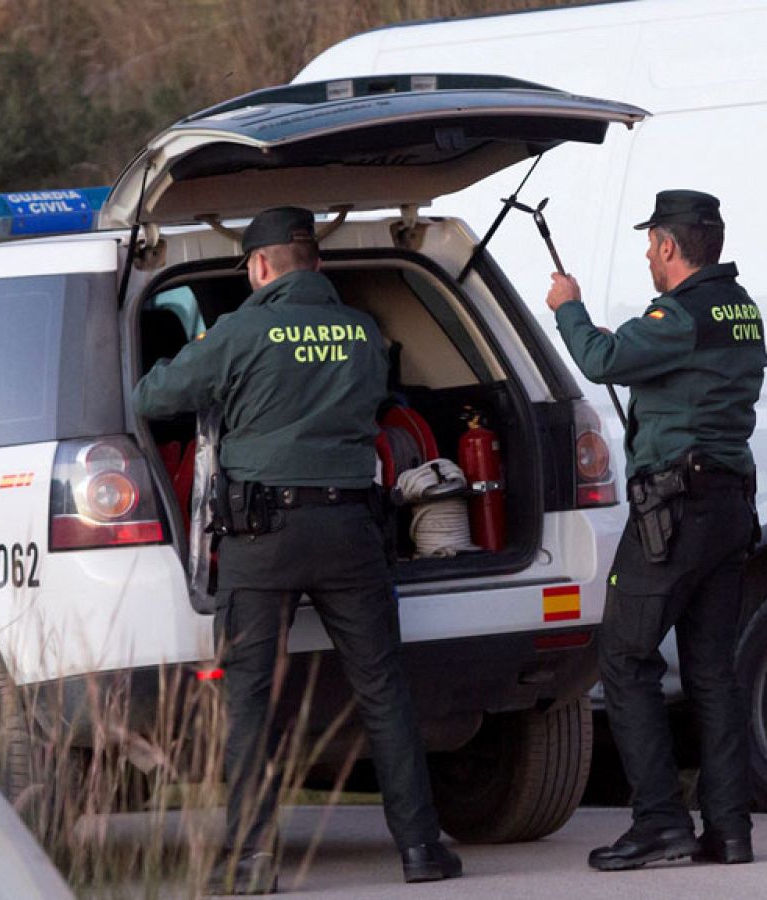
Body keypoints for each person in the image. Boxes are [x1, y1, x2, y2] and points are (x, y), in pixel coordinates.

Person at [135, 207, 459, 894]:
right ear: (314, 262)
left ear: (259, 267)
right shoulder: (364, 332)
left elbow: (155, 394)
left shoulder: (240, 330)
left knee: (250, 698)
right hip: (352, 531)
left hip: (264, 538)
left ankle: (253, 862)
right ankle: (422, 850)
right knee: (383, 691)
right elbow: (375, 404)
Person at [545, 189, 766, 871]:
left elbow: (603, 360)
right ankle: (728, 831)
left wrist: (567, 308)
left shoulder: (680, 313)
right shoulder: (743, 309)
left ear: (671, 247)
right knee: (711, 672)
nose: (646, 252)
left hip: (678, 509)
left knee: (625, 658)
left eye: (650, 243)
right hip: (730, 508)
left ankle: (660, 823)